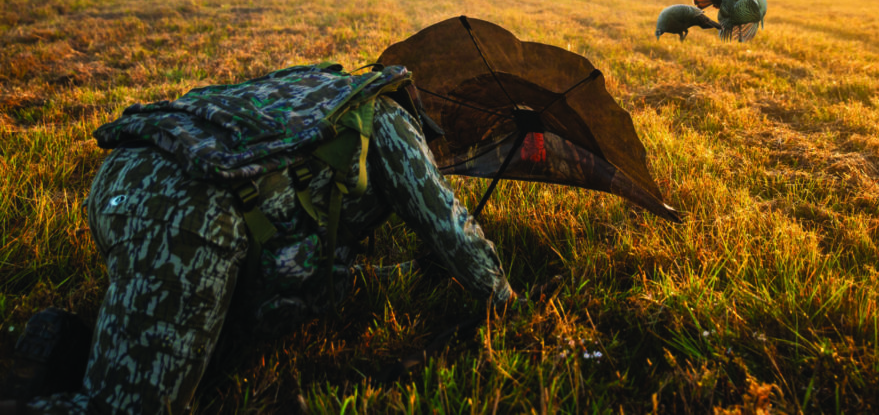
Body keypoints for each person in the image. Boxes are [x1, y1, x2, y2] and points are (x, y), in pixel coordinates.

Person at [2, 89, 515, 414]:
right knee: (135, 406)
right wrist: (506, 298)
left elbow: (318, 262)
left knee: (202, 351)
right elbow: (448, 224)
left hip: (126, 175)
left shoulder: (329, 97)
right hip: (187, 213)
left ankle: (81, 349)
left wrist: (402, 272)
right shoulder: (391, 123)